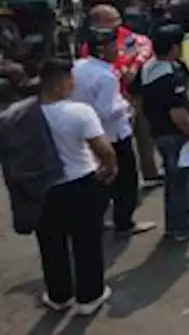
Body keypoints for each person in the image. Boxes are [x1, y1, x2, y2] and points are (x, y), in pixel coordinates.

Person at [23, 59, 118, 314]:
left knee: (51, 244)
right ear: (62, 82)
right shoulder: (79, 112)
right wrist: (109, 169)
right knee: (86, 241)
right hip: (80, 183)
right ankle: (89, 297)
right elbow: (103, 149)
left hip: (42, 188)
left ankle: (59, 295)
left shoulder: (23, 115)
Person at [71, 28, 156, 238]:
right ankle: (124, 223)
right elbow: (106, 111)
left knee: (100, 181)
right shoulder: (106, 76)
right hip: (114, 135)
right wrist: (126, 108)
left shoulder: (78, 67)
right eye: (112, 46)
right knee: (126, 182)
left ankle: (97, 220)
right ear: (101, 50)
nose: (117, 49)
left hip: (88, 135)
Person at [137, 26, 189, 242]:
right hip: (175, 135)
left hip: (158, 132)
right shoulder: (171, 75)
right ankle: (183, 227)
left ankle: (174, 224)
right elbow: (178, 114)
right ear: (173, 48)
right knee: (182, 182)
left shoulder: (148, 68)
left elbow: (136, 96)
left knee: (172, 180)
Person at [80, 5, 161, 187]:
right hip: (110, 100)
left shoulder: (124, 35)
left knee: (144, 134)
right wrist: (120, 72)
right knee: (115, 143)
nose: (118, 24)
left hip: (133, 93)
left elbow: (145, 45)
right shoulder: (90, 47)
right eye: (112, 21)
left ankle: (150, 173)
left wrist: (134, 66)